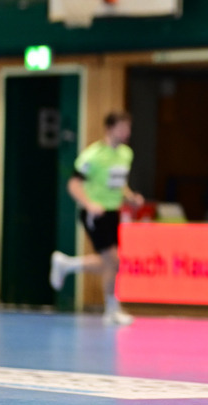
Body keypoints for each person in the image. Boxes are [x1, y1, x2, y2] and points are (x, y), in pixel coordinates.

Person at [48, 111, 143, 326]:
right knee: (113, 261)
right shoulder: (92, 155)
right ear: (109, 128)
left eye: (128, 127)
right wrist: (90, 204)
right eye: (122, 127)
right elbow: (73, 184)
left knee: (110, 264)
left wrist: (130, 197)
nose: (126, 132)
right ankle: (111, 309)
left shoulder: (126, 154)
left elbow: (119, 183)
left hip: (113, 212)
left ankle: (67, 264)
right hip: (95, 214)